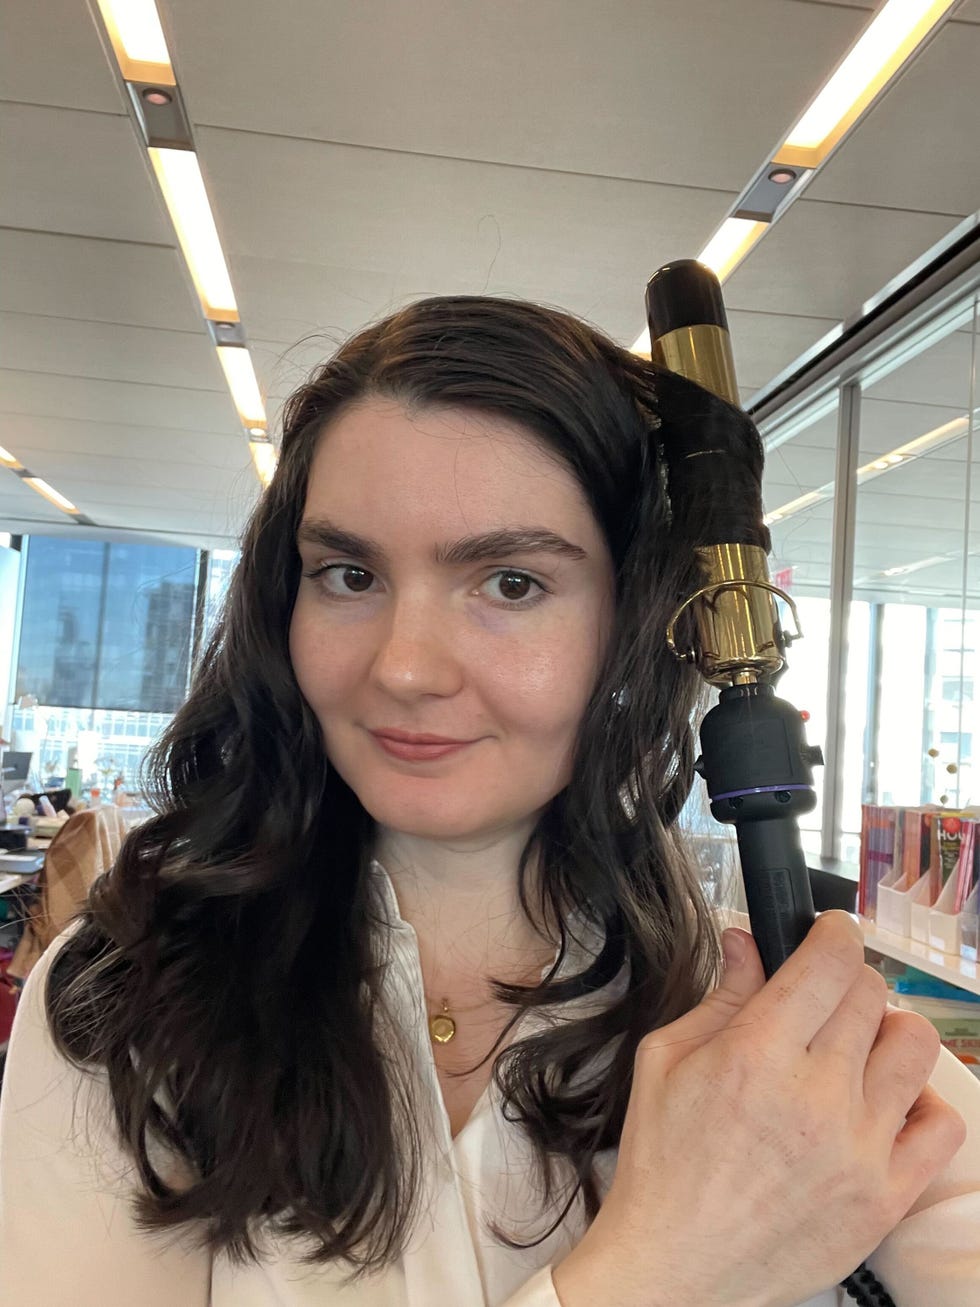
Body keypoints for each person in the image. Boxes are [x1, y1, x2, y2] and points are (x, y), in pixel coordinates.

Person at [0, 296, 977, 1307]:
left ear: (629, 624)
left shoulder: (775, 1033)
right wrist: (658, 1269)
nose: (405, 667)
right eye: (348, 573)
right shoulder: (128, 993)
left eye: (509, 582)